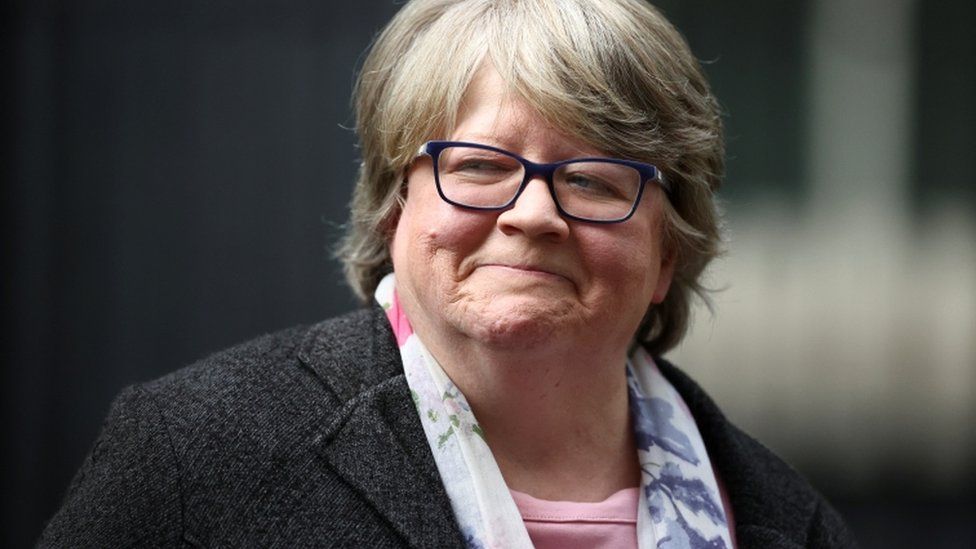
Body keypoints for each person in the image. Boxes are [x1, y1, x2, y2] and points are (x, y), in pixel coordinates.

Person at [39, 0, 857, 547]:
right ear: (395, 209)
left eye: (595, 180)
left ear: (667, 254)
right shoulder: (195, 460)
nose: (533, 213)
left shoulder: (788, 521)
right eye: (477, 166)